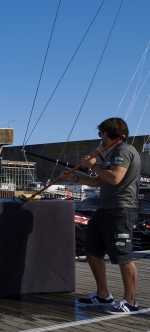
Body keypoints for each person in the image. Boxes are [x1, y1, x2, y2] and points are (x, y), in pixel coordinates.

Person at [62, 118, 141, 314]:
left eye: (100, 134)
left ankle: (130, 302)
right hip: (106, 209)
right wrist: (76, 178)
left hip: (121, 210)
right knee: (91, 250)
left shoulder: (123, 151)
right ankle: (103, 295)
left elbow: (115, 178)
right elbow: (102, 182)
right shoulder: (113, 153)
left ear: (107, 133)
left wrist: (93, 164)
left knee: (123, 257)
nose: (100, 138)